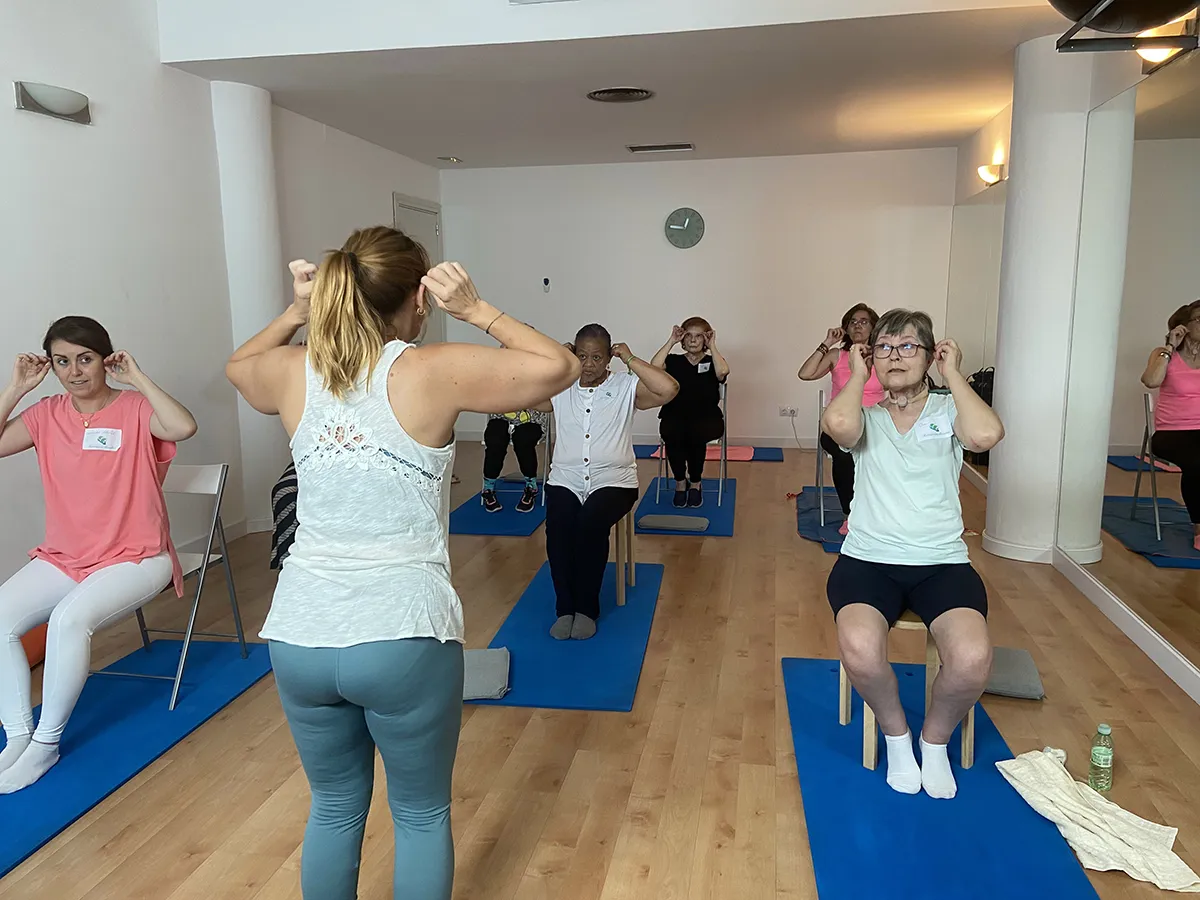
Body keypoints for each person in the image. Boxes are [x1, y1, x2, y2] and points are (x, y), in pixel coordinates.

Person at [225, 227, 578, 900]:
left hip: (300, 633)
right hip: (401, 632)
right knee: (419, 815)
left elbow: (240, 366)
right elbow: (556, 367)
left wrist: (297, 312)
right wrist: (475, 309)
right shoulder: (430, 368)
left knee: (334, 807)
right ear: (419, 297)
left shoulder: (293, 370)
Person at [0, 316, 195, 793]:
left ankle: (45, 745)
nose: (74, 372)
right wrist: (16, 388)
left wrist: (137, 378)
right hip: (68, 556)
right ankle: (19, 736)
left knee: (68, 620)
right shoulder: (46, 414)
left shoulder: (135, 408)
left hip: (137, 556)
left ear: (105, 359)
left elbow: (183, 426)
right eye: (62, 362)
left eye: (84, 359)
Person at [821, 309, 1004, 799]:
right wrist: (857, 374)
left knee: (971, 659)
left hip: (941, 564)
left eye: (907, 346)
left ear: (930, 355)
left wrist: (953, 374)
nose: (895, 356)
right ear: (871, 358)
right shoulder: (866, 417)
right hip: (867, 561)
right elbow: (837, 424)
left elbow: (985, 436)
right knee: (859, 649)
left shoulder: (948, 411)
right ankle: (898, 737)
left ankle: (935, 741)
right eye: (883, 347)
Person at [541, 325, 679, 641]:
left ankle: (586, 609)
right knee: (558, 527)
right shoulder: (559, 387)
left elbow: (668, 389)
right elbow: (520, 386)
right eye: (581, 356)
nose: (588, 364)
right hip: (566, 479)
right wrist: (555, 358)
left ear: (608, 359)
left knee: (590, 523)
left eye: (596, 357)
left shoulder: (625, 386)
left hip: (615, 481)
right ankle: (565, 608)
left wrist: (630, 358)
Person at [798, 304, 886, 534]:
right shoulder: (837, 355)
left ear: (874, 327)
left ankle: (880, 510)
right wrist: (827, 342)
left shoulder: (882, 357)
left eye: (864, 321)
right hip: (838, 426)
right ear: (846, 328)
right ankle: (851, 513)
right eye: (852, 322)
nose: (858, 326)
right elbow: (805, 374)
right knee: (845, 456)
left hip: (875, 425)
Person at [650, 317, 730, 508]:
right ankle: (680, 482)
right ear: (683, 339)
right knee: (672, 432)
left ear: (705, 339)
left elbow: (723, 372)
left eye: (699, 336)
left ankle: (695, 482)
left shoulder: (713, 361)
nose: (693, 340)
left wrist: (713, 346)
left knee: (695, 433)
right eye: (689, 336)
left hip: (707, 418)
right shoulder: (673, 360)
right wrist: (671, 341)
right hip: (675, 415)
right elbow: (654, 367)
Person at [1141, 299, 1200, 550]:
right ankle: (1199, 527)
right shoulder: (1163, 354)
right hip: (1171, 433)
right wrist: (1169, 346)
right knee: (1197, 463)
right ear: (1183, 326)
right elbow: (1151, 381)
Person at [481, 409, 549, 513]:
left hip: (532, 419)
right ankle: (488, 488)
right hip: (500, 417)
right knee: (495, 441)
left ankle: (531, 486)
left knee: (523, 440)